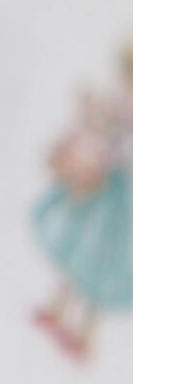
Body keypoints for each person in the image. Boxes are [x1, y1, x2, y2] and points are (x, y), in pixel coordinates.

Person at [33, 46, 133, 359]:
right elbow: (109, 127)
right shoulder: (124, 101)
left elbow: (120, 136)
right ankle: (59, 307)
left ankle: (85, 331)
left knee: (105, 258)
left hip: (124, 197)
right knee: (81, 244)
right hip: (109, 183)